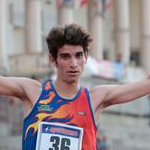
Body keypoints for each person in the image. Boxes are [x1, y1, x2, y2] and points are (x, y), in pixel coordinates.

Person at [0, 23, 150, 150]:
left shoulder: (95, 98)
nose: (73, 64)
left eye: (78, 55)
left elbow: (146, 85)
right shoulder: (34, 93)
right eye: (65, 56)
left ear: (86, 57)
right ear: (53, 59)